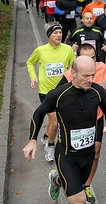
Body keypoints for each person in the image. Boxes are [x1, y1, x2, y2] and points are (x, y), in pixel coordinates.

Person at [23, 56, 106, 204]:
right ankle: (63, 179)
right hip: (67, 156)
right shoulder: (59, 94)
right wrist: (32, 140)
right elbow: (39, 113)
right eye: (85, 75)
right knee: (79, 199)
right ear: (73, 73)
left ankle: (57, 180)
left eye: (92, 74)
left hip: (88, 155)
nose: (90, 79)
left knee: (78, 185)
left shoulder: (97, 91)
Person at [57, 44, 106, 203]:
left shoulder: (101, 68)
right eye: (86, 58)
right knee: (73, 155)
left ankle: (86, 185)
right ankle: (61, 177)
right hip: (76, 122)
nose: (91, 61)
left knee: (95, 153)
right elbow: (57, 100)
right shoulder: (69, 75)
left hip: (97, 117)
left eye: (93, 58)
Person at [26, 22, 75, 161]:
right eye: (55, 33)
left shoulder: (68, 49)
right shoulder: (41, 50)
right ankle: (50, 146)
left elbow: (73, 65)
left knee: (53, 118)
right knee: (55, 122)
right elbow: (30, 62)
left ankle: (46, 136)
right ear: (49, 35)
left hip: (63, 90)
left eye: (60, 32)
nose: (59, 35)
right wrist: (33, 77)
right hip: (46, 91)